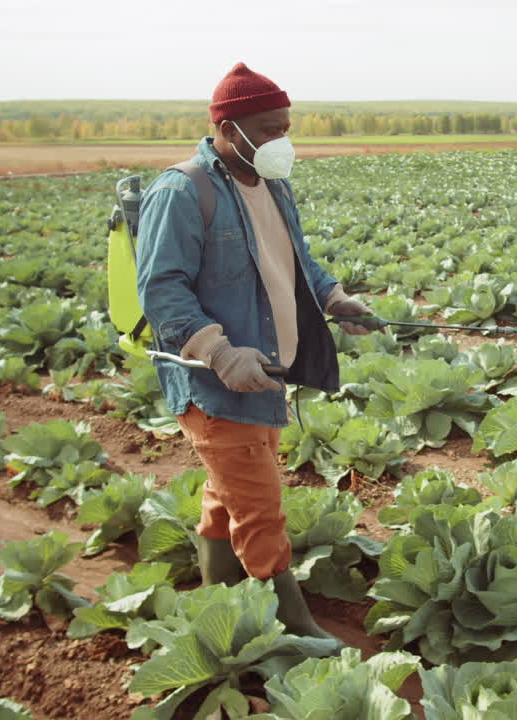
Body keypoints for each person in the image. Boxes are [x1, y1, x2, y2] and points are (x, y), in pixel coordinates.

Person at [135, 62, 376, 644]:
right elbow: (161, 290)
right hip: (218, 384)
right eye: (268, 129)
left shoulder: (273, 185)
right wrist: (219, 352)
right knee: (260, 508)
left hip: (268, 376)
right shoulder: (182, 190)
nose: (280, 142)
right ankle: (292, 625)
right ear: (229, 127)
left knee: (228, 494)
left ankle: (218, 597)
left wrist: (337, 298)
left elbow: (297, 262)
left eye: (285, 128)